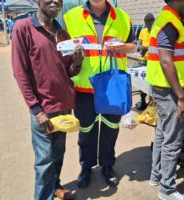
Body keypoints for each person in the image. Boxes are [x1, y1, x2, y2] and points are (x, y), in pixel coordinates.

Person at [11, 0, 83, 199]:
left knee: (57, 155)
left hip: (64, 107)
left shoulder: (62, 33)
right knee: (44, 160)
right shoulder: (23, 28)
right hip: (44, 109)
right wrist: (36, 109)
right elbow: (20, 72)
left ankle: (56, 186)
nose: (56, 2)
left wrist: (77, 63)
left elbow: (69, 71)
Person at [63, 0, 136, 189]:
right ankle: (86, 167)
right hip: (85, 88)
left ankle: (107, 166)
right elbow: (62, 49)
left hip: (112, 87)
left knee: (111, 129)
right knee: (86, 132)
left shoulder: (122, 17)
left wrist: (123, 48)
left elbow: (133, 46)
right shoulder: (70, 17)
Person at [146, 0, 184, 199]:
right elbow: (166, 59)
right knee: (173, 139)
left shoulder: (169, 19)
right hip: (171, 91)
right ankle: (167, 189)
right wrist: (181, 97)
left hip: (165, 88)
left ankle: (156, 176)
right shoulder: (170, 22)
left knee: (162, 133)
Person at [136, 13, 155, 111]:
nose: (148, 26)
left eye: (150, 24)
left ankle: (151, 104)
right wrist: (140, 48)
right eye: (147, 24)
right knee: (141, 83)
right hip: (142, 61)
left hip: (152, 62)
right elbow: (138, 45)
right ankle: (143, 101)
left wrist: (146, 47)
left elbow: (157, 46)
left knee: (151, 83)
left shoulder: (156, 32)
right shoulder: (143, 31)